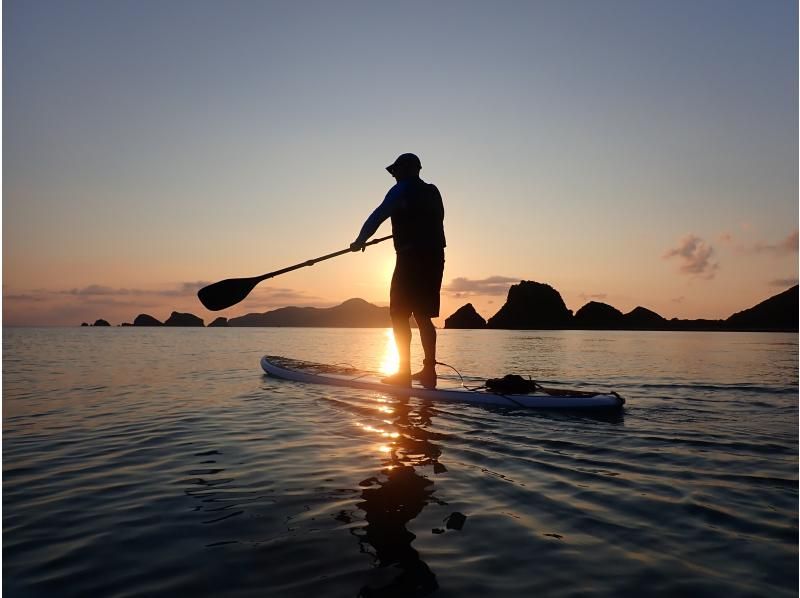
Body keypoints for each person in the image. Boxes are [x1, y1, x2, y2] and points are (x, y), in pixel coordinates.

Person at [351, 153, 445, 389]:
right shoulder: (433, 192)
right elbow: (432, 221)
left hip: (410, 259)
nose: (393, 176)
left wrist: (360, 240)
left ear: (404, 170)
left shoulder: (401, 189)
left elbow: (377, 216)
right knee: (423, 316)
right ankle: (429, 371)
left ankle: (404, 372)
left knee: (399, 315)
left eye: (395, 171)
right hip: (435, 259)